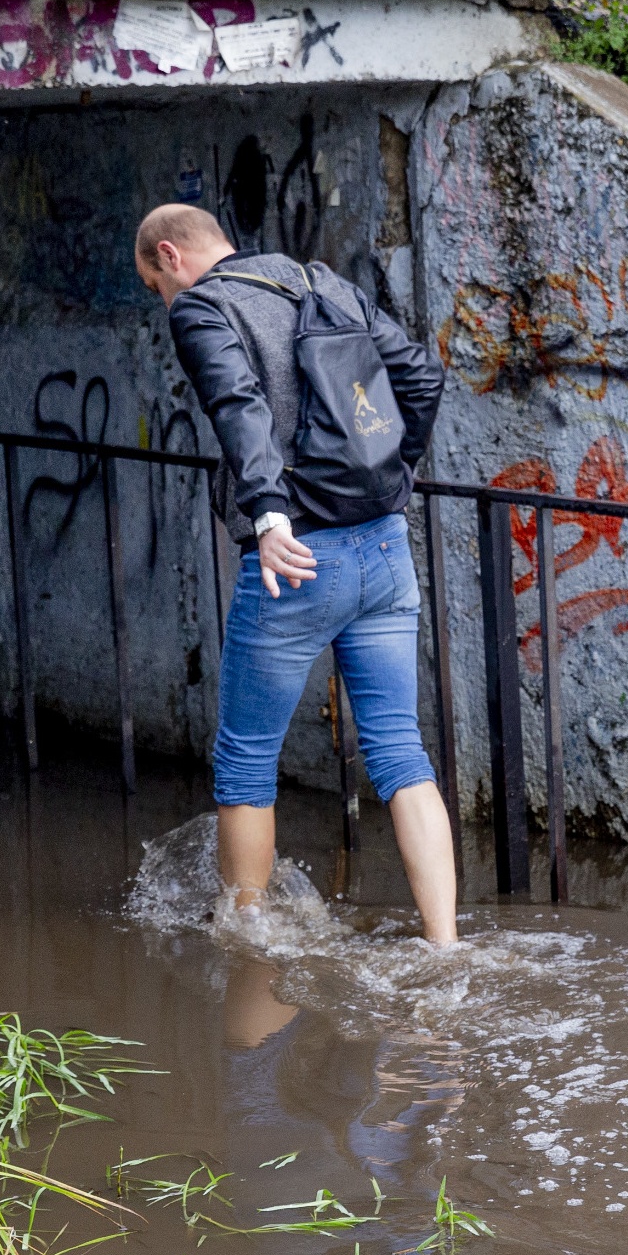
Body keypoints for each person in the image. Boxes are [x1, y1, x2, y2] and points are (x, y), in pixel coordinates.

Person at [133, 203, 459, 945]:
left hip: (297, 558)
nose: (164, 301)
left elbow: (237, 406)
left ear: (170, 258)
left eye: (155, 285)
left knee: (246, 757)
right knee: (401, 749)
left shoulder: (204, 308)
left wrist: (271, 514)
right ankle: (446, 947)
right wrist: (393, 477)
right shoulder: (321, 283)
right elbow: (421, 377)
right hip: (382, 547)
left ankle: (249, 942)